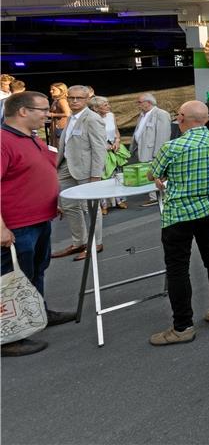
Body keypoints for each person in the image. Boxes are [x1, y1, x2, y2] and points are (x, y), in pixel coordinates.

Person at [1, 91, 78, 357]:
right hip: (16, 226)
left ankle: (37, 312)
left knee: (36, 270)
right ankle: (9, 336)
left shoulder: (30, 138)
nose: (48, 114)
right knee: (10, 280)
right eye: (43, 109)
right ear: (23, 111)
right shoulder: (2, 140)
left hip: (38, 220)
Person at [147, 101, 209, 346]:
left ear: (182, 117)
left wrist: (163, 176)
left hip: (179, 215)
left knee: (178, 268)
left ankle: (183, 326)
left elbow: (154, 174)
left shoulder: (172, 147)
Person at [52, 86, 107, 261]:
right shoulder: (71, 117)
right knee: (68, 206)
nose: (74, 101)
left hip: (86, 170)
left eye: (79, 98)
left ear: (86, 100)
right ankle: (79, 242)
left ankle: (96, 243)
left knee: (90, 208)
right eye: (72, 97)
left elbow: (99, 148)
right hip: (66, 166)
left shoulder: (92, 119)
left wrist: (96, 175)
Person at [89, 96, 128, 213]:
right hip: (100, 151)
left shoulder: (111, 115)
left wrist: (117, 141)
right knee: (103, 178)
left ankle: (119, 200)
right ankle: (103, 205)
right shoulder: (91, 119)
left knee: (117, 175)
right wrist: (105, 147)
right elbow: (91, 138)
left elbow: (116, 131)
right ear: (96, 108)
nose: (109, 106)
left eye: (108, 104)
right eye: (105, 105)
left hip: (114, 149)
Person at [132, 93, 171, 208]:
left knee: (157, 173)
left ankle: (160, 197)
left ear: (148, 103)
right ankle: (154, 197)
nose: (138, 105)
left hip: (153, 152)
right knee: (149, 174)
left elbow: (163, 136)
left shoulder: (161, 114)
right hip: (142, 151)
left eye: (139, 102)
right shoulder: (142, 115)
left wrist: (158, 154)